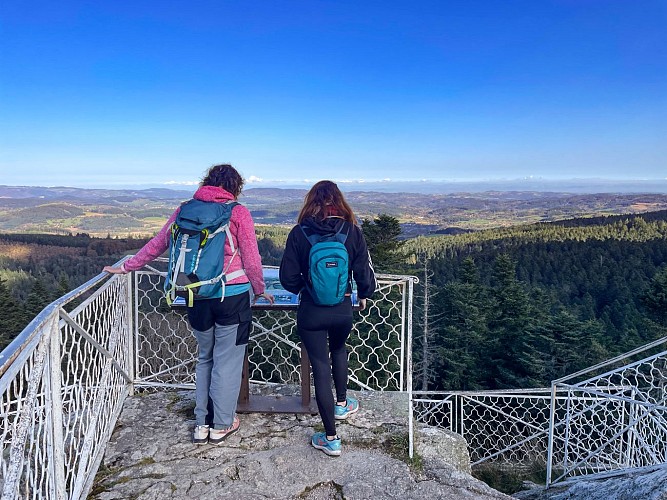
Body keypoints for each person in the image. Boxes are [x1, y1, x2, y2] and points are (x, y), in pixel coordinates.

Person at [103, 164, 274, 445]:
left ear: (206, 182)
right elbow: (252, 257)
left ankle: (201, 424)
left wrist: (127, 267)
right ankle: (222, 424)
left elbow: (159, 244)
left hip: (195, 294)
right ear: (235, 186)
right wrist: (259, 288)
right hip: (232, 295)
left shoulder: (186, 209)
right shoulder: (237, 211)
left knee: (205, 356)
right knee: (227, 361)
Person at [279, 180, 376, 457]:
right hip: (344, 307)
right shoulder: (352, 231)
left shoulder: (299, 233)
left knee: (320, 366)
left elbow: (287, 278)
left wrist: (305, 289)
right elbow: (364, 272)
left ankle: (331, 438)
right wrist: (363, 294)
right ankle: (343, 404)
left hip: (311, 311)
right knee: (339, 349)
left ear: (310, 201)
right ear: (340, 201)